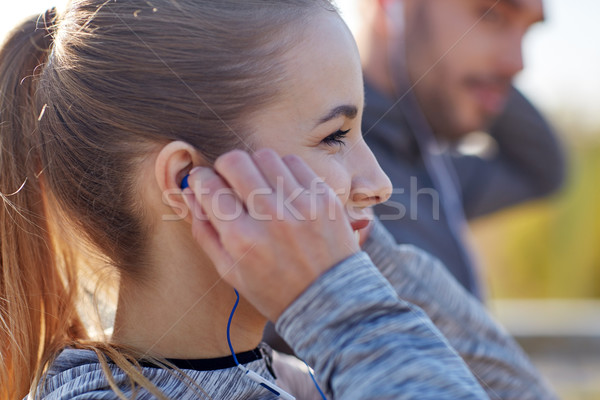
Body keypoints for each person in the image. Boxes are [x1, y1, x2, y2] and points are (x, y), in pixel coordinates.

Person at [0, 1, 554, 399]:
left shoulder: (303, 376)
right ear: (191, 182)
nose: (382, 184)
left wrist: (356, 266)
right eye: (335, 136)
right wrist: (341, 303)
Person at [348, 0, 566, 299]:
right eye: (494, 16)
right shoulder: (306, 165)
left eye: (526, 30)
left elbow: (540, 169)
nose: (518, 63)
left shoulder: (436, 174)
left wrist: (487, 84)